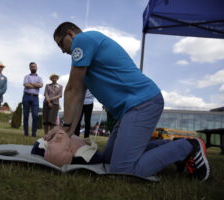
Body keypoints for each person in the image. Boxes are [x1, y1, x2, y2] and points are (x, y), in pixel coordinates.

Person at [53, 22, 210, 181]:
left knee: (121, 170)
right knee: (108, 159)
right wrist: (67, 131)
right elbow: (78, 96)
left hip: (142, 103)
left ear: (71, 34)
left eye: (61, 43)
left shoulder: (82, 40)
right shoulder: (85, 61)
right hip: (129, 110)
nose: (62, 50)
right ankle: (176, 147)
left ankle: (189, 147)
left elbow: (72, 89)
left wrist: (64, 127)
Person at [31, 126, 103, 167]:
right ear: (70, 150)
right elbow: (99, 156)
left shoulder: (43, 145)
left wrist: (51, 132)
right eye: (59, 142)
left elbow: (40, 142)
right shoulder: (79, 151)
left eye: (55, 141)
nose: (58, 138)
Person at [22, 62, 43, 137]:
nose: (33, 68)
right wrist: (36, 85)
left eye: (34, 67)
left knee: (35, 115)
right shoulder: (26, 76)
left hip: (35, 98)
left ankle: (34, 133)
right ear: (30, 68)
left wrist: (31, 84)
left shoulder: (39, 78)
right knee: (26, 115)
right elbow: (26, 85)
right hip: (26, 96)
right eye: (32, 67)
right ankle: (26, 133)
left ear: (36, 68)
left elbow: (41, 85)